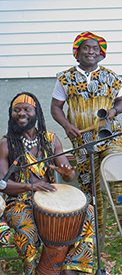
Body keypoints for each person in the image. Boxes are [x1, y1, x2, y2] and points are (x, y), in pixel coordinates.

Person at [0, 92, 94, 275]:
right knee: (27, 231)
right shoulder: (6, 144)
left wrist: (68, 172)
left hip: (50, 197)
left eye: (26, 109)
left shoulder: (51, 139)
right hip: (19, 202)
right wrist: (30, 186)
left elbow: (67, 174)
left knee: (88, 211)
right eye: (16, 110)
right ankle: (32, 270)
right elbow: (2, 184)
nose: (21, 113)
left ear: (36, 112)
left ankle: (71, 266)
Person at [51, 31, 122, 230]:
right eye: (86, 47)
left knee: (116, 167)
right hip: (82, 141)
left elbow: (121, 101)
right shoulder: (65, 79)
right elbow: (55, 107)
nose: (91, 52)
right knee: (90, 188)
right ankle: (95, 232)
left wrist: (113, 111)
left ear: (101, 53)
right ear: (77, 52)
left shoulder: (112, 77)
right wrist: (67, 126)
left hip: (109, 135)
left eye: (95, 48)